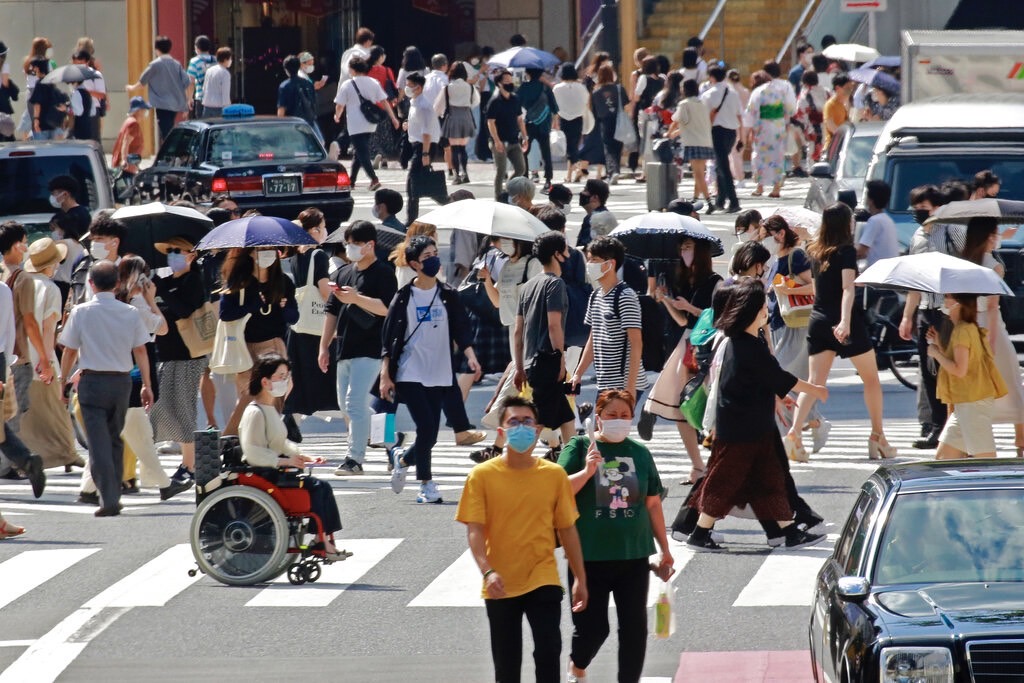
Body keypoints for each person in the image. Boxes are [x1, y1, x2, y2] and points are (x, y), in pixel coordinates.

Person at [686, 278, 828, 551]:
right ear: (750, 311)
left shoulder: (746, 342)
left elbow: (761, 379)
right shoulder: (746, 346)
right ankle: (699, 534)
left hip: (751, 428)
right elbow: (778, 376)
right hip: (742, 431)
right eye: (763, 307)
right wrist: (815, 390)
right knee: (724, 483)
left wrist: (780, 396)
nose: (767, 311)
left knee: (770, 481)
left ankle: (789, 532)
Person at [455, 396, 587, 683]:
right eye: (513, 422)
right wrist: (487, 571)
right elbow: (475, 529)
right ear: (501, 432)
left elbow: (567, 529)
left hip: (543, 576)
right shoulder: (481, 476)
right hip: (500, 581)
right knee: (507, 664)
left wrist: (580, 578)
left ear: (538, 430)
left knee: (549, 650)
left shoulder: (553, 475)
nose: (521, 427)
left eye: (527, 422)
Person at [557, 389, 671, 683]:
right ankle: (578, 663)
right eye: (612, 415)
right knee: (593, 628)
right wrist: (586, 471)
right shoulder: (580, 446)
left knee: (634, 628)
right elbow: (555, 490)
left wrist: (665, 550)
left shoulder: (640, 453)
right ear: (598, 418)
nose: (619, 420)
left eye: (625, 416)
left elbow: (652, 503)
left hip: (633, 555)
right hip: (588, 556)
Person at [786, 203, 895, 461]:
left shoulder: (813, 250)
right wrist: (845, 321)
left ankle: (794, 434)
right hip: (843, 322)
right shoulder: (846, 251)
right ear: (846, 224)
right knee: (871, 379)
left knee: (814, 384)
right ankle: (877, 436)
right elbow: (848, 289)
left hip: (818, 319)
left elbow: (817, 288)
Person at [379, 235, 480, 503]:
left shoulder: (447, 294)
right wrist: (385, 374)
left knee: (430, 434)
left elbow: (461, 327)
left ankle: (403, 459)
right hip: (409, 371)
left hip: (440, 372)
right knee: (425, 426)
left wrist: (471, 356)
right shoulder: (404, 297)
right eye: (427, 256)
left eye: (435, 253)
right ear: (414, 264)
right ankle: (426, 483)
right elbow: (390, 338)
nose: (434, 259)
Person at [59, 261, 153, 517]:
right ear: (118, 284)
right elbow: (141, 349)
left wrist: (63, 379)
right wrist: (146, 384)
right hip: (121, 381)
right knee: (114, 437)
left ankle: (109, 497)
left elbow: (69, 349)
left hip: (91, 381)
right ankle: (115, 493)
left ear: (91, 284)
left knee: (98, 442)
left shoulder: (81, 311)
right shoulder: (129, 312)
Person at [240, 353, 349, 560]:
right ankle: (322, 540)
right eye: (281, 376)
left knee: (322, 487)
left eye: (287, 375)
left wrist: (303, 455)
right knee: (317, 488)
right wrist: (285, 461)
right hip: (263, 473)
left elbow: (280, 443)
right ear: (265, 381)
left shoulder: (269, 409)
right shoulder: (255, 412)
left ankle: (323, 539)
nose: (286, 381)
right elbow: (252, 451)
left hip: (273, 470)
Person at [320, 220, 396, 475]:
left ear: (370, 245)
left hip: (373, 348)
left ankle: (354, 459)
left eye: (355, 243)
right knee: (348, 405)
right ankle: (392, 439)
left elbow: (388, 309)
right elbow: (331, 311)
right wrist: (323, 346)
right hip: (345, 348)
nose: (350, 248)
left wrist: (356, 298)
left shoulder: (384, 273)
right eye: (348, 243)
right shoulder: (342, 273)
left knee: (353, 404)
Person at [642, 236, 721, 480]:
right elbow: (682, 322)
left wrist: (690, 308)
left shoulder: (715, 282)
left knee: (712, 403)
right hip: (686, 345)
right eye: (681, 248)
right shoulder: (684, 280)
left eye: (688, 247)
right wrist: (666, 299)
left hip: (708, 346)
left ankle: (715, 464)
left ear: (700, 251)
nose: (683, 252)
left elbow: (717, 318)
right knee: (680, 406)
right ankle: (697, 465)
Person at [899, 184, 963, 448]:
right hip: (927, 309)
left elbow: (972, 262)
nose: (918, 214)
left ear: (937, 208)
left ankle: (954, 427)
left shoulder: (953, 231)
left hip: (951, 311)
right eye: (915, 209)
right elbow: (915, 280)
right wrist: (907, 316)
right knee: (929, 371)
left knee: (951, 369)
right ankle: (937, 427)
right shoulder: (917, 236)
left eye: (923, 209)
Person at [764, 216, 830, 453]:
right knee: (789, 381)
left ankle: (808, 426)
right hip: (779, 323)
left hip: (797, 324)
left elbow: (814, 286)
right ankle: (810, 425)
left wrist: (787, 288)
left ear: (780, 234)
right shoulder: (775, 260)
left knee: (782, 378)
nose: (764, 241)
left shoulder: (796, 255)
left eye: (766, 235)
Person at [150, 237, 211, 489]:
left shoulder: (194, 280)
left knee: (184, 406)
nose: (173, 255)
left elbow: (184, 310)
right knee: (165, 404)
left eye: (178, 251)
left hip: (190, 353)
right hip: (165, 352)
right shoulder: (163, 283)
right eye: (170, 251)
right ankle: (187, 460)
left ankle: (190, 464)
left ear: (191, 255)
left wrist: (160, 291)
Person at [218, 246, 299, 436]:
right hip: (243, 347)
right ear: (251, 253)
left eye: (271, 249)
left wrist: (285, 308)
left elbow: (294, 317)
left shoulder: (283, 281)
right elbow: (225, 314)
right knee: (251, 395)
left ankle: (253, 438)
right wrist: (251, 306)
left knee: (274, 392)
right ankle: (239, 439)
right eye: (262, 249)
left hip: (272, 345)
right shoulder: (240, 281)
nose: (267, 253)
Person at [960, 217, 1024, 457]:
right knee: (1012, 385)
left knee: (969, 388)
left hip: (967, 326)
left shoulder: (964, 261)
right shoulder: (994, 266)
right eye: (994, 233)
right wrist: (992, 344)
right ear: (988, 236)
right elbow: (993, 307)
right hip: (990, 328)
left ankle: (966, 442)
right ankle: (1021, 443)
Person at [13, 238, 79, 470]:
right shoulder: (50, 289)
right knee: (55, 408)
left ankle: (25, 457)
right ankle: (66, 454)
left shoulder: (21, 283)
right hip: (41, 355)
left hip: (18, 356)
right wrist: (48, 359)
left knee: (25, 414)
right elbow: (47, 328)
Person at [514, 231, 576, 452]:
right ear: (557, 254)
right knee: (538, 420)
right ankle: (517, 463)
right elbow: (553, 325)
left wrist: (519, 368)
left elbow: (517, 332)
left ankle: (573, 464)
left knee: (566, 417)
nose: (569, 255)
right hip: (548, 360)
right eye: (566, 250)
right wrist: (560, 360)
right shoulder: (555, 284)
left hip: (531, 362)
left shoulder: (528, 286)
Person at [928, 294, 1007, 459]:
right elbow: (964, 364)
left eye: (948, 297)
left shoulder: (963, 330)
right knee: (943, 459)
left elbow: (959, 370)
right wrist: (939, 346)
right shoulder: (966, 328)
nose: (944, 301)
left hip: (973, 404)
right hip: (965, 404)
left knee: (986, 463)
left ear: (959, 303)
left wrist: (936, 353)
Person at [570, 237, 648, 403]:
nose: (589, 264)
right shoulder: (596, 295)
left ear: (610, 264)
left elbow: (636, 342)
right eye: (589, 259)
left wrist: (630, 387)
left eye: (595, 260)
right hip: (605, 381)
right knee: (603, 428)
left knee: (611, 428)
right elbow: (593, 337)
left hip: (623, 383)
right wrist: (578, 373)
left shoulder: (625, 296)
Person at [284, 208, 338, 440]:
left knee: (302, 379)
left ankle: (290, 421)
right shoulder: (319, 255)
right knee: (335, 382)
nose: (325, 231)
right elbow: (324, 291)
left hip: (299, 327)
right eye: (323, 226)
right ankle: (367, 434)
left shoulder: (297, 255)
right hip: (318, 329)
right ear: (315, 230)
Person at [334, 56, 400, 191]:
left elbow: (340, 105)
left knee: (362, 152)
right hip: (370, 122)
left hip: (354, 123)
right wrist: (393, 118)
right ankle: (351, 181)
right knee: (358, 152)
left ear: (352, 69)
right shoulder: (373, 82)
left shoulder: (347, 84)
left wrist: (337, 116)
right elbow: (384, 101)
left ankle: (374, 179)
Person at [744, 61, 796, 198]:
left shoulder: (760, 90)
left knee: (760, 156)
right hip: (779, 125)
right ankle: (776, 188)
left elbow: (751, 110)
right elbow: (791, 108)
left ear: (766, 73)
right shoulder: (786, 87)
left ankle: (760, 186)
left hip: (762, 126)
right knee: (778, 156)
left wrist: (749, 129)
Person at [127, 36, 192, 145]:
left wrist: (131, 87)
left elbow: (142, 82)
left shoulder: (155, 65)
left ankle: (169, 155)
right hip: (176, 104)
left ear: (156, 49)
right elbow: (188, 83)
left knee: (166, 133)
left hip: (162, 104)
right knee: (169, 129)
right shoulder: (177, 64)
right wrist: (188, 100)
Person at [701, 66, 743, 213]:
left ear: (712, 77)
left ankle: (733, 201)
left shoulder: (708, 94)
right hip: (731, 132)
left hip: (716, 131)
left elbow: (704, 117)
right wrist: (741, 137)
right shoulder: (733, 93)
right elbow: (739, 115)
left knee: (723, 166)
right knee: (721, 165)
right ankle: (720, 200)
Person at [669, 79, 715, 210]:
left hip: (693, 142)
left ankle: (709, 202)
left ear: (685, 89)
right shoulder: (703, 103)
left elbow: (676, 120)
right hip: (705, 141)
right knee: (699, 173)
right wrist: (678, 132)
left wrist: (670, 132)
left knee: (698, 173)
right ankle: (695, 199)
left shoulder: (684, 104)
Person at [404, 72, 441, 223]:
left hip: (424, 147)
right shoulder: (414, 103)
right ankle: (411, 218)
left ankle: (411, 220)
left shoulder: (424, 106)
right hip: (417, 145)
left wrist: (425, 154)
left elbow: (427, 133)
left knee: (414, 184)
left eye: (409, 86)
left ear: (418, 88)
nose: (406, 88)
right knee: (413, 184)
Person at [486, 69, 529, 200]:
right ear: (499, 84)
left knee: (521, 169)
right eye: (506, 81)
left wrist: (525, 137)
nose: (510, 83)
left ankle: (507, 189)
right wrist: (497, 141)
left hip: (514, 140)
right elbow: (491, 122)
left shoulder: (515, 99)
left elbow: (520, 119)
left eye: (511, 81)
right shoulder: (494, 101)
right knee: (501, 171)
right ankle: (498, 197)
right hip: (499, 141)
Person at [435, 61, 479, 185]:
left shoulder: (448, 88)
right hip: (466, 116)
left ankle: (456, 176)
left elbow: (438, 105)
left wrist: (440, 114)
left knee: (454, 149)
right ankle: (465, 173)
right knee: (463, 148)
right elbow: (475, 101)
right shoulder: (470, 87)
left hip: (452, 116)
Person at [517, 68, 559, 193]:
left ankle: (524, 176)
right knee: (546, 152)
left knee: (524, 150)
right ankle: (548, 180)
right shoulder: (546, 88)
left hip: (528, 123)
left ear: (528, 74)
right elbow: (555, 108)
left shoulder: (524, 87)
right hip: (544, 124)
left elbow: (518, 104)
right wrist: (555, 122)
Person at [591, 64, 628, 185]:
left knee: (608, 147)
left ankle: (612, 171)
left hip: (605, 122)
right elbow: (626, 105)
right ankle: (614, 171)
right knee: (617, 146)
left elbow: (594, 110)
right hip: (619, 120)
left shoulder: (596, 92)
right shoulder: (619, 88)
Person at [553, 63, 590, 184]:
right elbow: (586, 102)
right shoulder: (581, 87)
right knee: (573, 145)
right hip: (578, 118)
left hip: (563, 118)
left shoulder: (557, 88)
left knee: (569, 147)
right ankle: (575, 171)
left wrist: (555, 121)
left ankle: (574, 171)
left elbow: (554, 106)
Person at [856, 180, 899, 266]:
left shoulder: (874, 221)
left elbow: (861, 252)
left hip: (878, 273)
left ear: (871, 200)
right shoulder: (888, 220)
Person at [111, 97, 150, 184]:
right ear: (138, 110)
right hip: (127, 169)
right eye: (144, 109)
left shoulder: (128, 121)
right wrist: (124, 160)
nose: (145, 112)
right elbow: (126, 142)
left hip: (127, 167)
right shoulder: (133, 124)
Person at [277, 55, 319, 136]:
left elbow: (281, 110)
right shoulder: (308, 84)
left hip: (291, 126)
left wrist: (280, 128)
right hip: (308, 125)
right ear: (299, 66)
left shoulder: (284, 86)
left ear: (286, 70)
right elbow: (314, 104)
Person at [28, 58, 66, 140]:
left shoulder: (39, 84)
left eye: (34, 67)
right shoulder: (51, 83)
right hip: (52, 123)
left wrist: (36, 120)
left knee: (41, 150)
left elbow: (37, 104)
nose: (33, 70)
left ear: (38, 68)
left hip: (42, 124)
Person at [576, 178, 613, 248]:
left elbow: (585, 247)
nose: (581, 193)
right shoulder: (603, 215)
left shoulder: (594, 219)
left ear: (595, 197)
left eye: (585, 190)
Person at [822, 73, 853, 151]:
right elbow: (831, 126)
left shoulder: (843, 105)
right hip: (832, 147)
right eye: (847, 88)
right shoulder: (830, 105)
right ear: (837, 88)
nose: (850, 90)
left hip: (842, 146)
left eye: (850, 87)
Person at [187, 35, 216, 119]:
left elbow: (190, 82)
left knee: (203, 125)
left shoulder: (194, 61)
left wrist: (189, 98)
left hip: (202, 98)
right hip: (217, 100)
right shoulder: (216, 60)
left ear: (197, 48)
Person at [200, 47, 232, 118]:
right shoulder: (225, 73)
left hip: (207, 106)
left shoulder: (209, 70)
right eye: (230, 59)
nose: (231, 61)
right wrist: (228, 108)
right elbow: (225, 93)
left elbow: (204, 88)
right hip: (219, 108)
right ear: (225, 59)